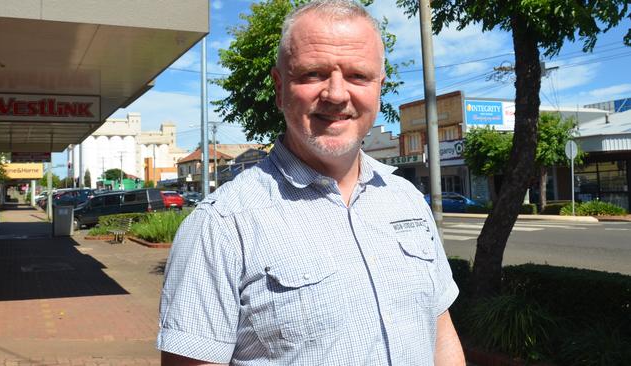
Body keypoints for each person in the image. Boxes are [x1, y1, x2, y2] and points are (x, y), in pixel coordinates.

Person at [157, 1, 465, 365]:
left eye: (358, 76)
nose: (336, 94)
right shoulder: (221, 225)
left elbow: (440, 330)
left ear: (379, 88)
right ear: (279, 87)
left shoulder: (407, 199)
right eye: (313, 74)